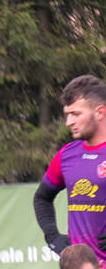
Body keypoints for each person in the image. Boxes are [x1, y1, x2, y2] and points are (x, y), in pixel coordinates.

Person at [33, 75, 106, 259]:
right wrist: (52, 236)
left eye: (75, 114)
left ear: (99, 112)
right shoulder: (66, 155)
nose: (69, 122)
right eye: (67, 115)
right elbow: (42, 198)